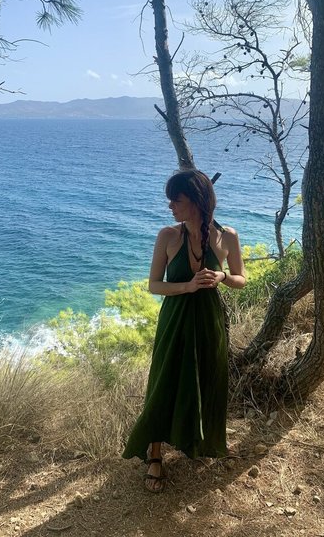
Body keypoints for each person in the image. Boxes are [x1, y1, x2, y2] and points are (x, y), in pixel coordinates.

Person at [122, 169, 246, 493]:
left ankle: (198, 441)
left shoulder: (227, 236)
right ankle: (154, 453)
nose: (170, 207)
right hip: (174, 319)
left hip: (208, 320)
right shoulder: (168, 236)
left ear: (196, 201)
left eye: (176, 200)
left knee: (206, 379)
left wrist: (222, 277)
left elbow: (241, 279)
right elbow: (154, 285)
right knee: (164, 382)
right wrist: (188, 286)